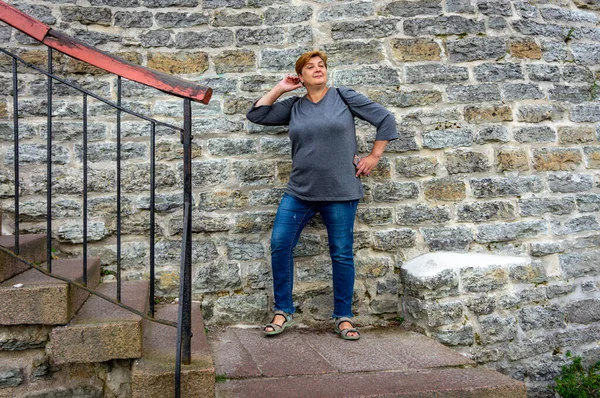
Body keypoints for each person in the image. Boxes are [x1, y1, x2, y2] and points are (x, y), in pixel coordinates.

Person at [246, 50, 398, 340]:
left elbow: (385, 120)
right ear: (300, 77)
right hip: (299, 192)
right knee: (280, 244)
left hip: (340, 192)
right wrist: (280, 87)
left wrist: (374, 157)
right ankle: (283, 311)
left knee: (341, 254)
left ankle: (343, 317)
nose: (318, 70)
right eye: (310, 67)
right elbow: (257, 114)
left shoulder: (343, 96)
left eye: (322, 65)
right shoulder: (294, 106)